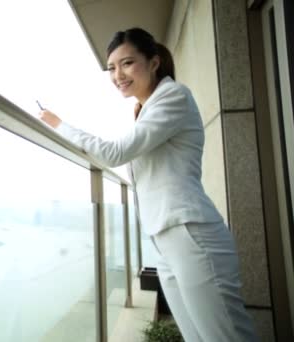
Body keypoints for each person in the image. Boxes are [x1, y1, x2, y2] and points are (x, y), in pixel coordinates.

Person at [38, 27, 259, 342]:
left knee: (225, 338)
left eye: (127, 63)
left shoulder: (173, 97)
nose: (118, 74)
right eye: (112, 68)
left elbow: (114, 153)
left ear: (154, 62)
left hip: (190, 233)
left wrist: (57, 124)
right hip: (167, 240)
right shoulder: (147, 109)